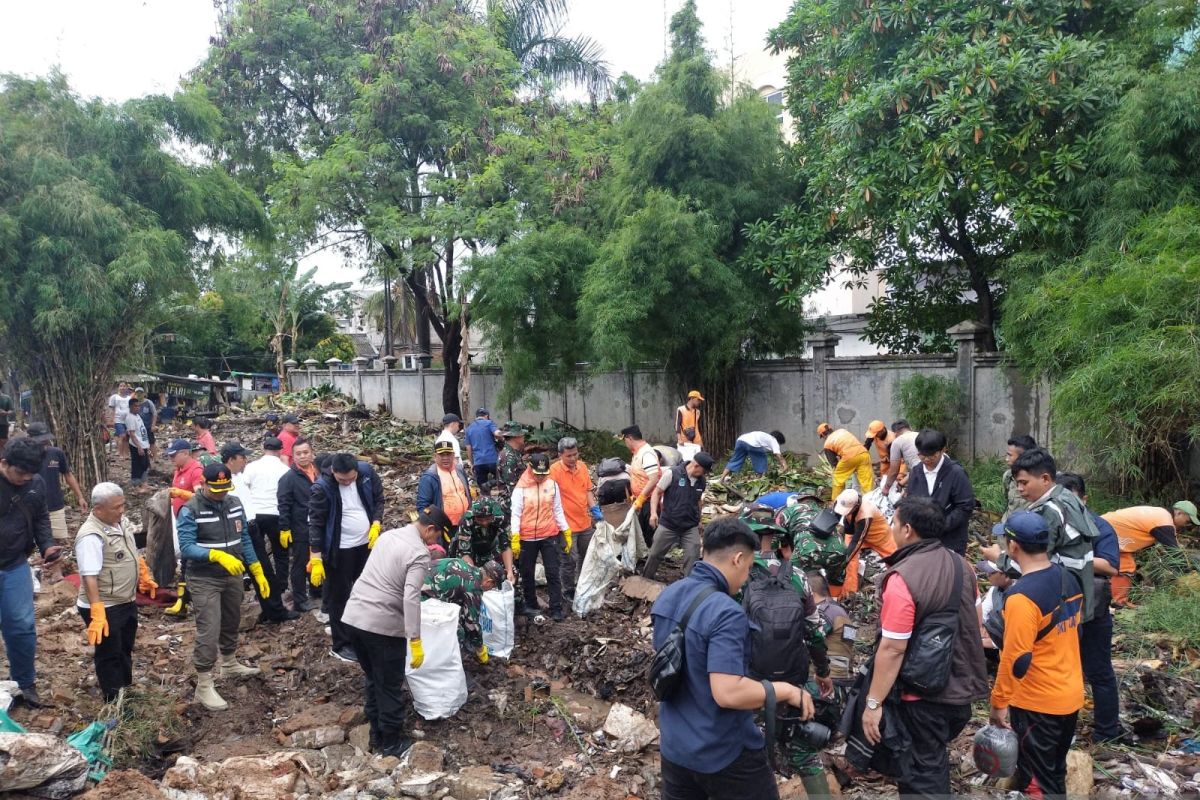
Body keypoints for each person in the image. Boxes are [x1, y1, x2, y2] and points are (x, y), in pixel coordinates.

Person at [651, 516, 816, 799]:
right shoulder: (725, 611)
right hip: (721, 751)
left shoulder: (669, 595)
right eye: (750, 567)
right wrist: (787, 691)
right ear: (738, 559)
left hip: (675, 746)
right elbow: (727, 692)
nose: (746, 577)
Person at [858, 497, 988, 798]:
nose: (890, 528)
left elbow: (892, 648)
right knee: (931, 760)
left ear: (907, 529)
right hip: (960, 691)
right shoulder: (963, 566)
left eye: (893, 522)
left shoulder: (903, 576)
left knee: (921, 774)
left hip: (922, 696)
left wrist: (873, 704)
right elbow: (975, 622)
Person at [989, 511, 1084, 799]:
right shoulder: (1069, 579)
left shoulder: (1022, 598)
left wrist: (998, 704)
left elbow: (1016, 659)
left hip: (1038, 702)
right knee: (1053, 771)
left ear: (1013, 547)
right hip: (1069, 694)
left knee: (1036, 782)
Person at [341, 506, 448, 758]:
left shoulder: (388, 536)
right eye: (437, 536)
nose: (435, 542)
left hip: (355, 618)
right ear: (430, 529)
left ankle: (376, 733)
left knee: (373, 677)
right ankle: (391, 742)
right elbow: (411, 597)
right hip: (382, 626)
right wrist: (415, 638)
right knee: (389, 683)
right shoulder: (419, 554)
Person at [176, 462, 269, 710]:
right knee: (209, 628)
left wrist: (256, 568)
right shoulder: (190, 509)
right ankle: (204, 684)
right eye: (216, 489)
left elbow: (245, 538)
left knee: (231, 619)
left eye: (225, 488)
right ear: (203, 484)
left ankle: (229, 662)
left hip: (233, 574)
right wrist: (216, 555)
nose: (221, 494)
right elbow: (186, 547)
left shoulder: (235, 503)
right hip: (205, 577)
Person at [982, 448, 1098, 620]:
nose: (1020, 489)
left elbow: (1034, 563)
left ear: (1045, 479)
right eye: (1017, 483)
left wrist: (998, 558)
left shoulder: (1050, 511)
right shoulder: (1066, 496)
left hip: (1061, 598)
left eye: (1024, 483)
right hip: (1077, 592)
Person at [1056, 471, 1124, 742]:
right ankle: (1062, 730)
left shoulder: (1099, 526)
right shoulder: (1052, 523)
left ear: (1084, 499)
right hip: (1059, 606)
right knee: (1062, 668)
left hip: (1093, 607)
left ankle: (1107, 732)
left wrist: (1070, 558)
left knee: (1099, 670)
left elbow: (1110, 566)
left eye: (1074, 503)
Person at [75, 483, 157, 702]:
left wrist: (143, 573)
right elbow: (89, 576)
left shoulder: (119, 522)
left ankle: (125, 692)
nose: (121, 510)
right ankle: (114, 702)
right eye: (116, 507)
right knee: (109, 655)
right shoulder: (91, 536)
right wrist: (97, 610)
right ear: (98, 509)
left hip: (125, 600)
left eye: (123, 505)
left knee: (124, 649)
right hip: (106, 605)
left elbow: (131, 550)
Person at [0, 438, 64, 707]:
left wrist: (47, 545)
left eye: (30, 474)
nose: (24, 479)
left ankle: (24, 684)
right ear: (4, 464)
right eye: (19, 473)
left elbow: (40, 518)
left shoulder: (35, 484)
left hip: (15, 564)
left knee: (22, 626)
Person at [308, 453, 385, 662]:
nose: (348, 482)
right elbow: (315, 522)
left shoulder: (366, 473)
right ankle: (341, 644)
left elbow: (379, 499)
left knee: (365, 590)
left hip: (365, 544)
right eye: (343, 480)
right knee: (339, 596)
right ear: (333, 472)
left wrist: (376, 522)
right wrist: (315, 557)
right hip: (339, 549)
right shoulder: (322, 488)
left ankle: (365, 632)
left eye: (351, 478)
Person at [237, 438, 299, 624]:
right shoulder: (285, 469)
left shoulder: (252, 467)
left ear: (263, 448)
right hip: (277, 514)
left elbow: (245, 486)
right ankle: (279, 587)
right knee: (280, 554)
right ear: (280, 451)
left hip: (255, 514)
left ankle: (263, 588)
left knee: (259, 554)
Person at [510, 452, 570, 622]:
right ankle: (531, 604)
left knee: (552, 572)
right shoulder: (521, 488)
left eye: (544, 474)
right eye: (537, 474)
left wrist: (566, 531)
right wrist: (515, 537)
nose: (540, 478)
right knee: (527, 572)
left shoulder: (552, 485)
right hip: (527, 538)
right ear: (530, 469)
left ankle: (556, 607)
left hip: (548, 535)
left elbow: (557, 509)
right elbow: (515, 514)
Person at [901, 429, 975, 556]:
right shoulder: (916, 472)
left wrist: (941, 526)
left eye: (932, 455)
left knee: (948, 573)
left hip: (951, 539)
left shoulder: (955, 473)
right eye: (922, 456)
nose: (927, 459)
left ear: (942, 450)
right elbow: (912, 502)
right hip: (922, 540)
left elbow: (965, 506)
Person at [643, 452, 713, 581]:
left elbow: (698, 501)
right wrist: (653, 513)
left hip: (690, 526)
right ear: (696, 465)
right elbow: (657, 492)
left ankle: (689, 584)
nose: (705, 474)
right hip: (669, 524)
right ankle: (646, 579)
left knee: (693, 555)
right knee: (655, 554)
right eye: (704, 471)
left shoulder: (701, 481)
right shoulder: (672, 474)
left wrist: (699, 520)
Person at [1101, 503, 1187, 608]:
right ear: (1179, 513)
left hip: (1107, 526)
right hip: (1106, 530)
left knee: (1124, 565)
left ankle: (1116, 601)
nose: (1186, 525)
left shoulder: (1160, 514)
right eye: (1187, 521)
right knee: (1124, 566)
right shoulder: (1164, 521)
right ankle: (1117, 603)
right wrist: (1187, 571)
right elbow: (1174, 552)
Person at [422, 556, 504, 663]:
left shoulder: (467, 567)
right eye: (493, 587)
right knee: (456, 632)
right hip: (419, 598)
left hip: (411, 584)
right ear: (488, 582)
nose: (490, 590)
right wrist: (480, 649)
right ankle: (447, 666)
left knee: (458, 616)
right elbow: (472, 624)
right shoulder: (474, 587)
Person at [548, 437, 599, 597]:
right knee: (569, 560)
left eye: (575, 454)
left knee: (588, 556)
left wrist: (595, 510)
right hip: (566, 525)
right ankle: (568, 590)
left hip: (584, 522)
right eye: (568, 456)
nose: (573, 458)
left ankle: (583, 584)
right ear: (560, 455)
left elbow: (587, 490)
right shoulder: (554, 471)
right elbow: (549, 498)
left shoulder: (582, 467)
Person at [165, 437, 207, 616]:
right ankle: (185, 601)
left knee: (188, 562)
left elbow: (201, 497)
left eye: (174, 455)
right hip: (181, 522)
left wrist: (182, 494)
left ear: (185, 453)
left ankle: (184, 602)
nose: (171, 459)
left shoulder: (196, 470)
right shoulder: (179, 470)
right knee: (185, 561)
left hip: (193, 524)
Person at [27, 423, 87, 545]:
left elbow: (68, 475)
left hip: (55, 504)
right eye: (40, 441)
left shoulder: (56, 453)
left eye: (45, 441)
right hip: (31, 505)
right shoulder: (24, 456)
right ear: (30, 439)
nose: (44, 444)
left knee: (58, 541)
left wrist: (80, 497)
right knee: (31, 542)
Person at [276, 438, 318, 611]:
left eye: (305, 452)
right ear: (293, 456)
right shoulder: (289, 478)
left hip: (318, 525)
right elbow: (283, 504)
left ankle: (317, 590)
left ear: (312, 453)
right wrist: (285, 528)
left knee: (317, 558)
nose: (302, 456)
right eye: (298, 454)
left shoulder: (318, 472)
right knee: (300, 563)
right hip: (300, 526)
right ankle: (300, 599)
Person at [832, 488, 897, 595]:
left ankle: (895, 587)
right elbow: (835, 518)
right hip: (854, 532)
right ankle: (848, 593)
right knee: (850, 561)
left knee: (895, 560)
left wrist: (843, 561)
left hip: (879, 536)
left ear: (856, 506)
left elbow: (857, 542)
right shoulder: (840, 500)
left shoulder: (865, 513)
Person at [416, 440, 472, 544]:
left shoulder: (459, 471)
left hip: (464, 524)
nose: (445, 458)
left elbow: (466, 493)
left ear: (453, 455)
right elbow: (422, 507)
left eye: (448, 454)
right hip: (443, 529)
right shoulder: (430, 477)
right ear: (435, 456)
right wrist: (434, 530)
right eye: (441, 455)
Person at [450, 498, 515, 583]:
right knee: (467, 578)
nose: (484, 523)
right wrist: (474, 576)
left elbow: (505, 546)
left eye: (488, 519)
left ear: (493, 515)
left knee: (510, 572)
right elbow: (464, 552)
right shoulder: (466, 520)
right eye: (480, 520)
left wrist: (509, 572)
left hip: (490, 548)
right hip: (470, 551)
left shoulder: (500, 518)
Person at [808, 573, 855, 680]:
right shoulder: (839, 611)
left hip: (823, 680)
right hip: (841, 676)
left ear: (810, 593)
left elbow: (810, 639)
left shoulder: (824, 611)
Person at [621, 425, 662, 542]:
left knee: (650, 534)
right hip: (642, 501)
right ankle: (645, 558)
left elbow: (654, 479)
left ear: (629, 438)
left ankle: (652, 558)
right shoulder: (638, 453)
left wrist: (641, 497)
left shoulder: (646, 454)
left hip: (649, 501)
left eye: (625, 441)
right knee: (643, 533)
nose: (625, 444)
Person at [817, 423, 874, 498]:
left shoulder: (827, 444)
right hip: (864, 454)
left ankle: (836, 502)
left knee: (838, 479)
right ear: (831, 429)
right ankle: (869, 502)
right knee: (867, 482)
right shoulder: (842, 431)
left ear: (823, 435)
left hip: (849, 457)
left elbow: (834, 462)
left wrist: (845, 468)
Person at [717, 430, 787, 482]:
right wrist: (785, 466)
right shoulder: (773, 440)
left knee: (735, 460)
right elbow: (778, 455)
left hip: (740, 441)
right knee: (761, 459)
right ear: (778, 440)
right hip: (752, 443)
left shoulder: (764, 435)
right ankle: (759, 480)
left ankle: (721, 479)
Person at [879, 420, 920, 496]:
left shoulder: (897, 441)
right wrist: (901, 483)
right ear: (910, 428)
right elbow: (919, 468)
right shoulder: (920, 435)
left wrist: (886, 487)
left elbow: (894, 471)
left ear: (895, 433)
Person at [1002, 435, 1038, 518]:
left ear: (1023, 457)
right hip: (1008, 526)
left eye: (1010, 455)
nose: (1006, 459)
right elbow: (1007, 503)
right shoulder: (1008, 476)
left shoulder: (1039, 479)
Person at [463, 408, 500, 486]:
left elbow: (468, 449)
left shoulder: (469, 429)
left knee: (483, 488)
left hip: (479, 462)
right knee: (500, 483)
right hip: (492, 460)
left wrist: (472, 463)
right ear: (486, 416)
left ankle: (486, 496)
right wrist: (503, 437)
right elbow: (497, 433)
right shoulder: (489, 423)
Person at [126, 398, 152, 488]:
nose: (138, 408)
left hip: (143, 443)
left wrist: (146, 445)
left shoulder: (137, 416)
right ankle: (136, 482)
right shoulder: (130, 418)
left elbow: (141, 431)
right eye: (135, 406)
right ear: (130, 407)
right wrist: (139, 447)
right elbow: (132, 434)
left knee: (144, 463)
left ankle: (143, 482)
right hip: (136, 445)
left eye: (138, 406)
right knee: (137, 464)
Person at [497, 422, 527, 491]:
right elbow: (511, 487)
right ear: (515, 437)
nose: (523, 436)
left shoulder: (514, 453)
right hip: (512, 499)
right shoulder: (508, 457)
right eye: (521, 434)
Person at [107, 382, 131, 458]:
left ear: (127, 388)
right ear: (118, 388)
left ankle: (126, 454)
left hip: (128, 420)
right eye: (121, 386)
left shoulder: (129, 398)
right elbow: (112, 409)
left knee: (127, 438)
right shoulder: (114, 397)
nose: (123, 387)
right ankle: (121, 454)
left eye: (124, 386)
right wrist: (111, 419)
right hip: (118, 420)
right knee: (122, 436)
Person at [135, 387, 158, 458]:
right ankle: (143, 457)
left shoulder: (148, 402)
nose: (139, 394)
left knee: (151, 442)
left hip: (148, 426)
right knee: (139, 443)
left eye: (141, 393)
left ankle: (155, 458)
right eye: (137, 393)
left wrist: (153, 425)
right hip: (138, 428)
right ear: (135, 394)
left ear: (144, 394)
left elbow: (154, 414)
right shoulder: (134, 403)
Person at [0, 381, 13, 450]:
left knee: (3, 442)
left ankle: (3, 458)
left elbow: (11, 410)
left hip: (3, 423)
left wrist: (6, 413)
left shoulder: (6, 398)